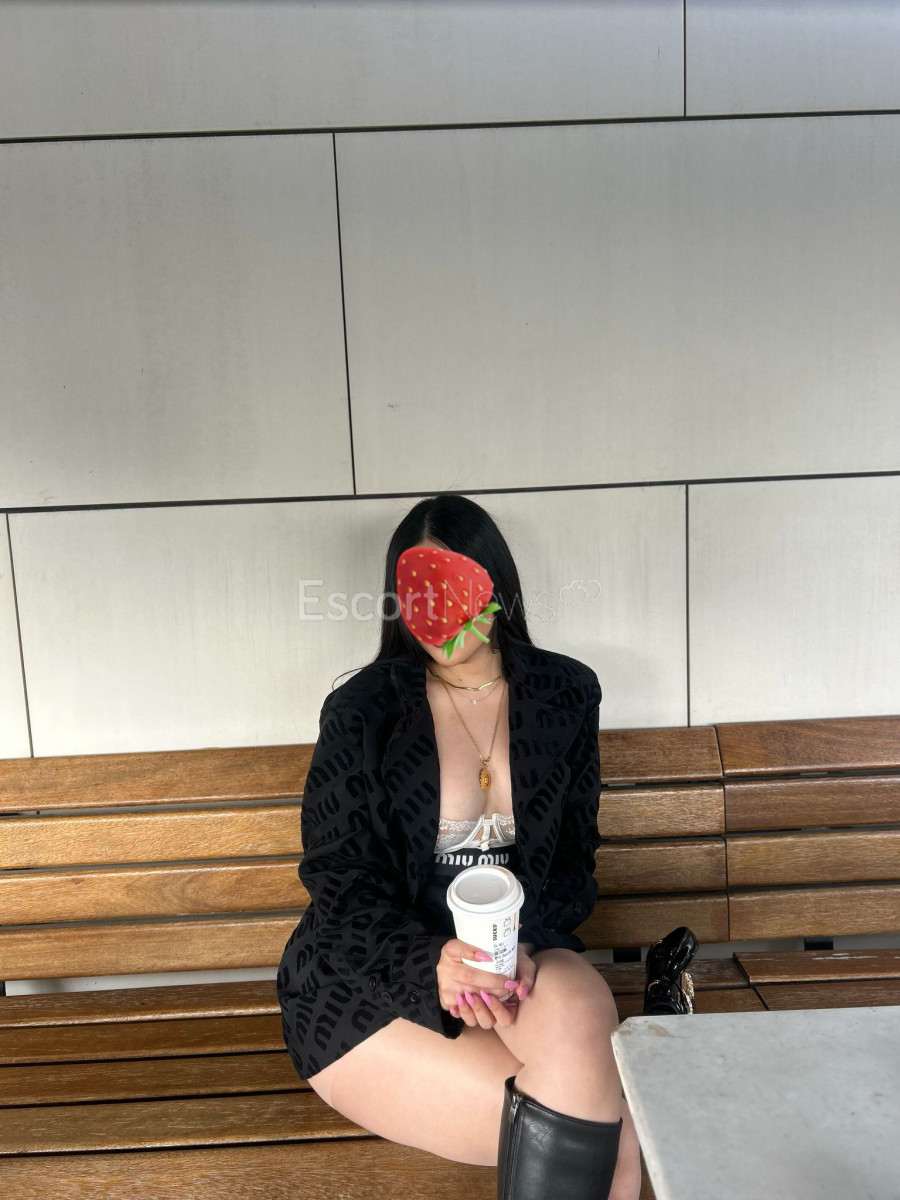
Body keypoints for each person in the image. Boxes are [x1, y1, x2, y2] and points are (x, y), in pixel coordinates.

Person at [277, 494, 641, 1200]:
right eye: (418, 594)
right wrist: (432, 966)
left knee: (580, 1015)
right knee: (617, 1132)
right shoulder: (364, 711)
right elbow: (341, 883)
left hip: (517, 955)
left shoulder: (565, 694)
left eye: (455, 587)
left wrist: (518, 948)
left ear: (495, 587)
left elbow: (572, 862)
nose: (439, 613)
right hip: (370, 983)